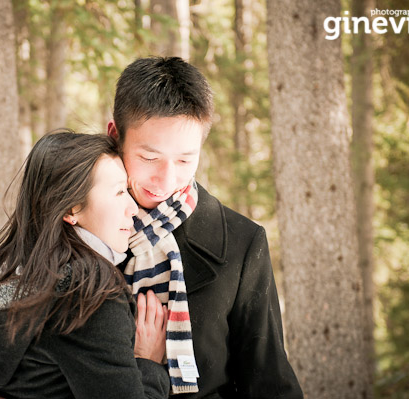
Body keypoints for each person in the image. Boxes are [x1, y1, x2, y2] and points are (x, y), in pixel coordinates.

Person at [107, 56, 303, 398]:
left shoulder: (242, 243)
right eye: (149, 158)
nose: (166, 180)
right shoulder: (72, 222)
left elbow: (269, 382)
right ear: (115, 135)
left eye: (185, 160)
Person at [0, 131, 170, 399]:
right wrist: (148, 363)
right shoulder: (89, 293)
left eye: (127, 190)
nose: (133, 208)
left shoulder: (2, 276)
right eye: (118, 192)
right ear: (71, 209)